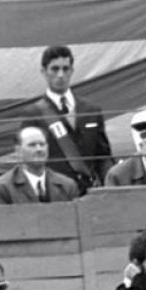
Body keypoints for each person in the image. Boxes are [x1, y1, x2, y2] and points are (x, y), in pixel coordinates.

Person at [22, 45, 113, 194]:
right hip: (54, 195)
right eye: (55, 69)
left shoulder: (91, 110)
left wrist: (110, 185)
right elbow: (30, 162)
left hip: (89, 193)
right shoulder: (33, 114)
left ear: (72, 71)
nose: (60, 74)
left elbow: (103, 157)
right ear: (44, 72)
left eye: (65, 69)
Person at [0, 127, 81, 204]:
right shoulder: (1, 188)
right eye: (32, 145)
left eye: (42, 144)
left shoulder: (67, 185)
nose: (39, 149)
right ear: (18, 150)